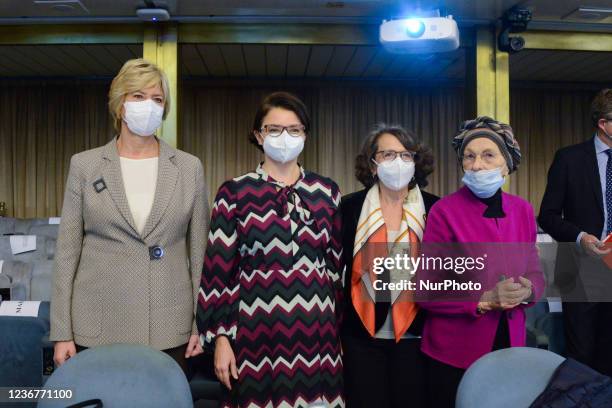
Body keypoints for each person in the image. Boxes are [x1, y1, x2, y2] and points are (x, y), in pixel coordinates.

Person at [50, 58, 209, 378]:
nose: (148, 105)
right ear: (120, 105)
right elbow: (66, 254)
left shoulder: (189, 168)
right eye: (138, 96)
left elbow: (201, 256)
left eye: (157, 99)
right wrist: (62, 332)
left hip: (168, 327)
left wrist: (199, 324)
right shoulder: (85, 166)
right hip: (96, 325)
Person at [197, 92, 344, 407]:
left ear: (305, 134)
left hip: (318, 334)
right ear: (258, 134)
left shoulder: (326, 191)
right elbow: (217, 274)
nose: (285, 137)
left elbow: (337, 269)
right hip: (255, 331)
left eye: (294, 129)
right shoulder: (234, 191)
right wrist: (221, 338)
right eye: (274, 129)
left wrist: (339, 333)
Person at [417, 116, 544, 407]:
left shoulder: (523, 210)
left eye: (489, 155)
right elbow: (424, 290)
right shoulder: (443, 211)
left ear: (507, 162)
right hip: (453, 352)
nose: (477, 165)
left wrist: (528, 290)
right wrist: (484, 300)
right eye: (469, 157)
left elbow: (535, 273)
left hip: (510, 345)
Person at [340, 124, 438, 408]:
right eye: (387, 154)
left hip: (416, 334)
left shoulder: (435, 209)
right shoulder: (350, 207)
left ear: (416, 163)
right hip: (361, 336)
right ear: (372, 165)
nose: (398, 162)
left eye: (406, 155)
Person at [538, 88, 612, 376]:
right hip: (581, 269)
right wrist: (581, 237)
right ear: (603, 124)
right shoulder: (569, 159)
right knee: (582, 355)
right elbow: (548, 215)